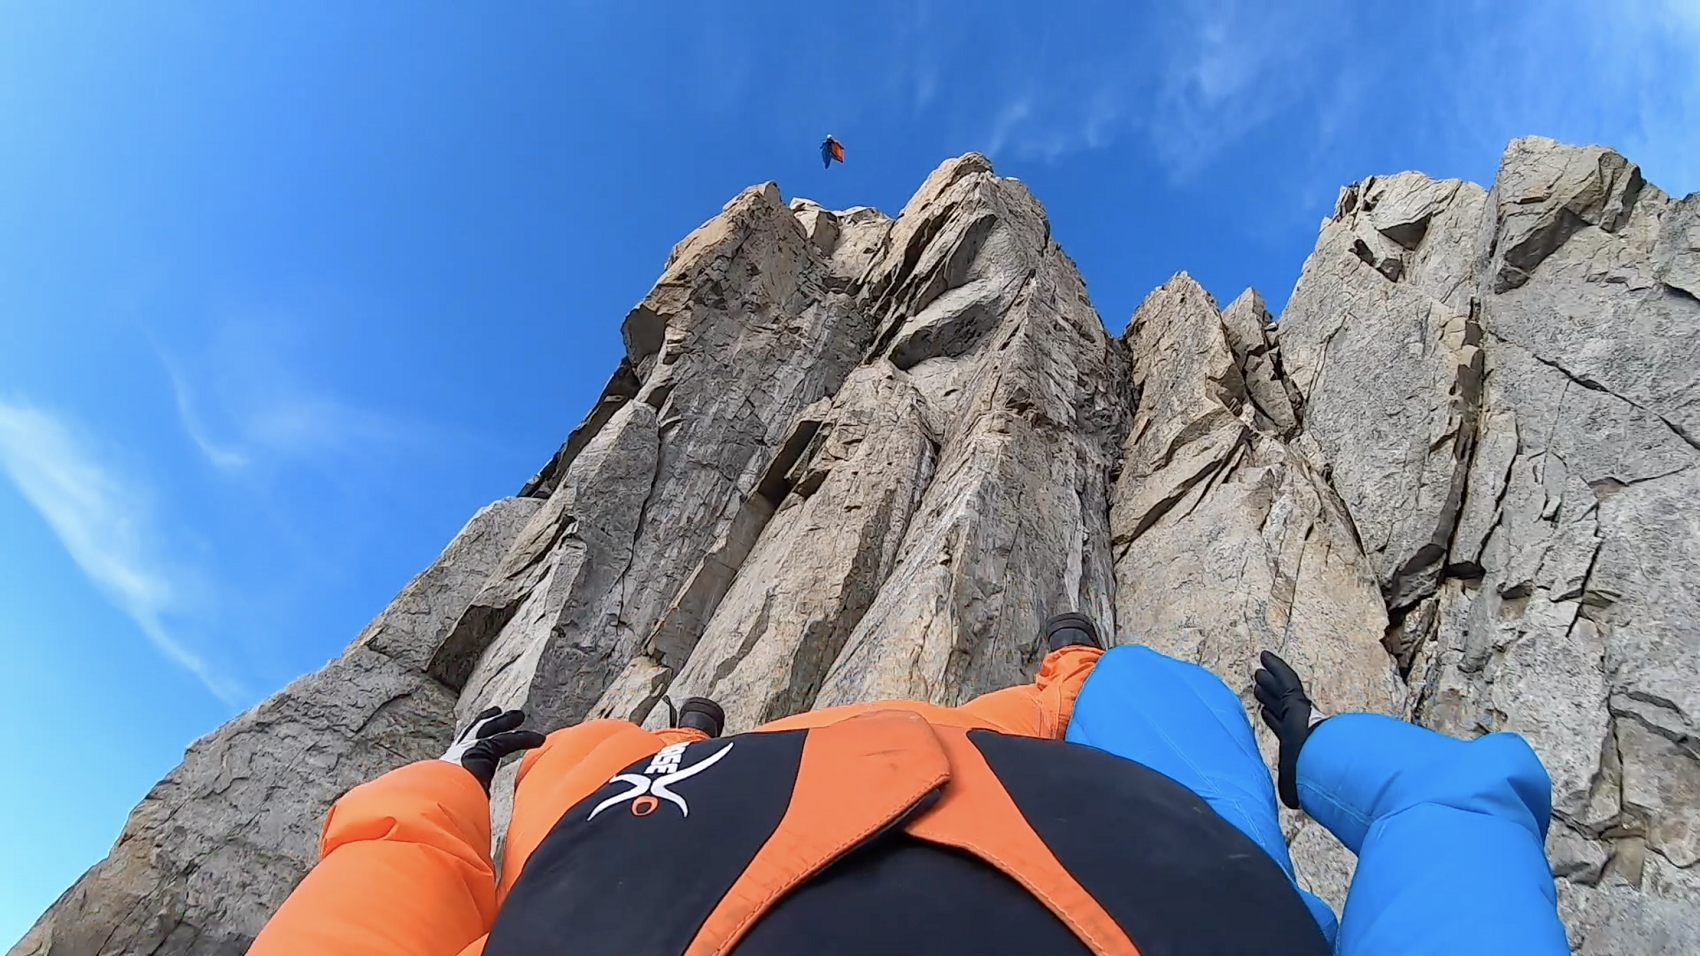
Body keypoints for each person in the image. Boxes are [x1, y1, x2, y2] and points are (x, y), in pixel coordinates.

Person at [249, 614, 1570, 955]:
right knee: (1153, 693)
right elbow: (1459, 806)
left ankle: (680, 734)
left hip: (643, 818)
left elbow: (370, 901)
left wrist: (453, 779)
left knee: (573, 763)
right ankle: (1078, 670)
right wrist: (1318, 754)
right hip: (1111, 797)